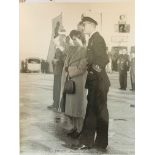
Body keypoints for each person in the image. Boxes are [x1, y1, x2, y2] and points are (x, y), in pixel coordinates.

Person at [72, 15, 110, 150]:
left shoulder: (97, 39)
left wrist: (95, 68)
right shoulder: (93, 39)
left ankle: (86, 142)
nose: (83, 27)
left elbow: (104, 58)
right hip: (97, 81)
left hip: (98, 81)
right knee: (99, 112)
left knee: (92, 111)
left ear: (92, 25)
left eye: (85, 25)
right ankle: (100, 143)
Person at [60, 30, 88, 138]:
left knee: (78, 108)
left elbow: (82, 68)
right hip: (71, 82)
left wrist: (69, 70)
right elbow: (63, 47)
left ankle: (80, 129)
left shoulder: (85, 51)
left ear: (81, 38)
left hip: (79, 82)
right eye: (73, 39)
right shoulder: (72, 50)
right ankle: (74, 128)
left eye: (75, 39)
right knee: (71, 107)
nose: (74, 41)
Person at [47, 29, 66, 110]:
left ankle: (58, 105)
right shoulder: (58, 46)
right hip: (57, 70)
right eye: (60, 35)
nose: (60, 37)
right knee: (56, 88)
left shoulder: (64, 46)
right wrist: (54, 60)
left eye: (62, 35)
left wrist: (57, 60)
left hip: (61, 71)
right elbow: (56, 57)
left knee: (59, 88)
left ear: (64, 36)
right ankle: (55, 103)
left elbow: (66, 58)